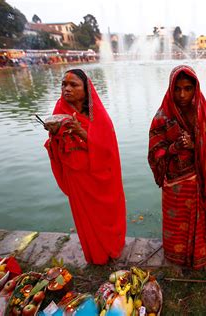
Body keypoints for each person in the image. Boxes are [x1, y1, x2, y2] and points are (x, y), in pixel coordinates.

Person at [44, 69, 126, 265]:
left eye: (74, 85)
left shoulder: (98, 115)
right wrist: (54, 135)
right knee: (87, 220)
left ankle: (112, 249)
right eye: (64, 84)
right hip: (77, 177)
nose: (67, 89)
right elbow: (56, 147)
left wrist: (82, 132)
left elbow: (108, 150)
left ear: (86, 89)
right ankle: (96, 256)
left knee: (107, 215)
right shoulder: (59, 111)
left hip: (100, 176)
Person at [148, 65, 206, 269]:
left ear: (195, 88)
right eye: (177, 88)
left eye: (188, 88)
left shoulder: (204, 115)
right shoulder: (162, 116)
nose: (182, 94)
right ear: (170, 88)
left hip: (198, 181)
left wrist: (195, 145)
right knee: (176, 228)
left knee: (199, 223)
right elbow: (155, 153)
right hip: (174, 185)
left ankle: (199, 256)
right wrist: (174, 147)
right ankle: (175, 257)